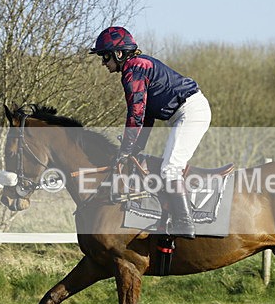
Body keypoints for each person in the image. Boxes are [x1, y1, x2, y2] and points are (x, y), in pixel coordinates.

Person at [90, 26, 211, 239]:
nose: (103, 62)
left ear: (119, 54)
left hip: (190, 111)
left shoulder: (134, 69)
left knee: (170, 168)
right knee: (166, 166)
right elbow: (146, 116)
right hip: (184, 111)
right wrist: (135, 148)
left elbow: (136, 113)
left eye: (105, 56)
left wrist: (127, 149)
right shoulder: (137, 67)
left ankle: (185, 223)